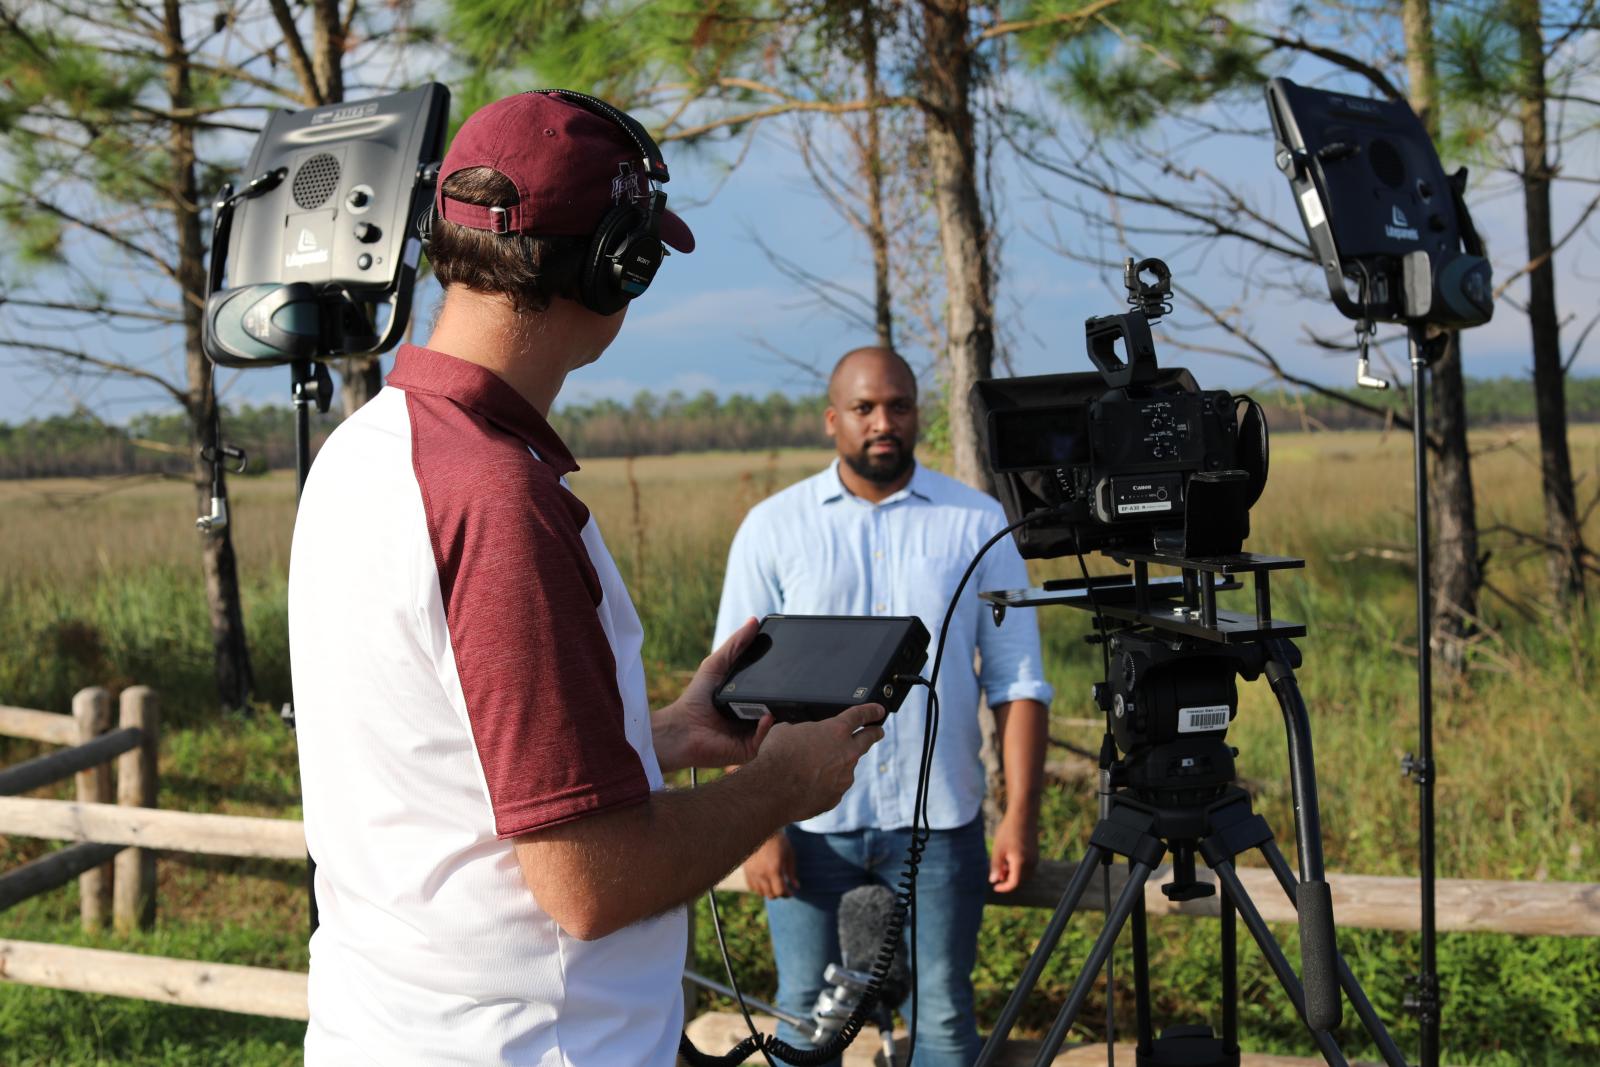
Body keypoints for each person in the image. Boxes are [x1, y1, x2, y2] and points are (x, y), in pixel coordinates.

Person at [287, 91, 883, 1066]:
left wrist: (665, 733)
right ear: (621, 265)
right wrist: (780, 785)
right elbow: (587, 880)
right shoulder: (495, 496)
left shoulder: (364, 454)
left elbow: (444, 767)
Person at [713, 347, 1054, 1065]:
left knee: (942, 1020)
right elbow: (734, 693)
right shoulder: (774, 528)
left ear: (917, 414)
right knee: (803, 1018)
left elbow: (1018, 679)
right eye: (864, 408)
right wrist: (757, 825)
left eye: (897, 405)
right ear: (833, 419)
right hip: (807, 826)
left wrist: (1019, 815)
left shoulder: (977, 521)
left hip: (939, 825)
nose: (882, 422)